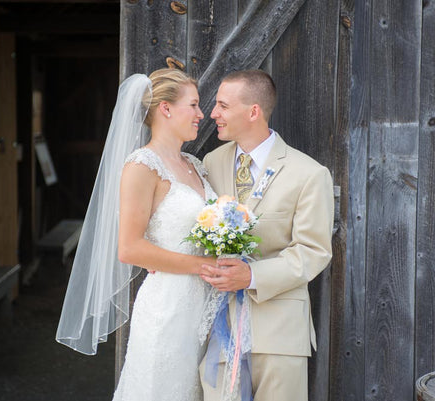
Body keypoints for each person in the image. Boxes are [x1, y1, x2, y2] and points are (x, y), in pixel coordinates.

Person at [56, 68, 216, 401]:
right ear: (166, 109)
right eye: (194, 104)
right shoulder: (142, 166)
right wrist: (202, 266)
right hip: (169, 307)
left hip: (207, 307)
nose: (202, 114)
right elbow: (129, 248)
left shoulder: (194, 164)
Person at [199, 70, 334, 401]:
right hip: (220, 329)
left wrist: (251, 275)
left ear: (253, 111)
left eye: (222, 105)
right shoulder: (210, 163)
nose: (213, 113)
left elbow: (313, 251)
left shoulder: (310, 174)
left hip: (279, 332)